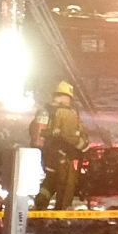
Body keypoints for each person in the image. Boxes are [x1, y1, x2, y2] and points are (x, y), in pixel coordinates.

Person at [33, 80, 86, 211]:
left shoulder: (43, 111)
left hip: (47, 155)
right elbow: (71, 136)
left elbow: (33, 130)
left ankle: (40, 204)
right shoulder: (66, 113)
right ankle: (61, 215)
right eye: (69, 97)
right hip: (64, 156)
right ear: (63, 96)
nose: (69, 100)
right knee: (66, 185)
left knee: (50, 181)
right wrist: (85, 147)